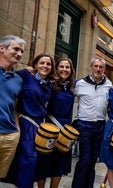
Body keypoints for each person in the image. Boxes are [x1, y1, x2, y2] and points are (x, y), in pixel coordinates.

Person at [4, 53, 55, 188]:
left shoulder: (49, 85)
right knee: (28, 159)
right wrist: (25, 69)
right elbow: (11, 77)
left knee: (36, 163)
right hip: (26, 123)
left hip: (40, 126)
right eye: (42, 63)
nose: (45, 66)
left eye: (48, 64)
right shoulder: (26, 76)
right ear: (35, 65)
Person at [71, 57, 112, 188]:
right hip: (84, 125)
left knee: (93, 160)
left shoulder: (109, 85)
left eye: (101, 67)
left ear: (104, 69)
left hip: (100, 126)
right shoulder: (80, 83)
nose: (98, 69)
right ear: (91, 67)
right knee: (84, 159)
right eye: (96, 66)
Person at [36, 57, 76, 188]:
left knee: (59, 164)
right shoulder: (49, 84)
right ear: (56, 68)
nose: (64, 70)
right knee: (43, 162)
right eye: (62, 66)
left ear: (71, 70)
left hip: (65, 130)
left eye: (67, 67)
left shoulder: (72, 86)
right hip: (49, 127)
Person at [0, 35, 25, 179]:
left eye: (22, 51)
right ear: (2, 49)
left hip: (10, 135)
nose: (20, 54)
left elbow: (14, 107)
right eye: (16, 49)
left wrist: (17, 131)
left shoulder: (18, 80)